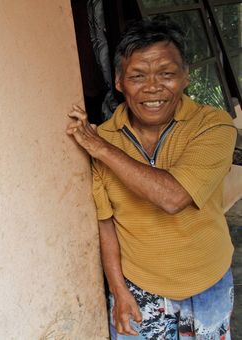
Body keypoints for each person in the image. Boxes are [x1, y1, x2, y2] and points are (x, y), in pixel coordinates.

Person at [66, 17, 237, 339]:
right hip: (139, 289)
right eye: (138, 76)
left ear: (186, 76)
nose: (153, 87)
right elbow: (106, 223)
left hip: (208, 281)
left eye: (167, 74)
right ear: (119, 81)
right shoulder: (103, 140)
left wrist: (101, 148)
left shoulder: (213, 126)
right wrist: (118, 291)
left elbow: (173, 198)